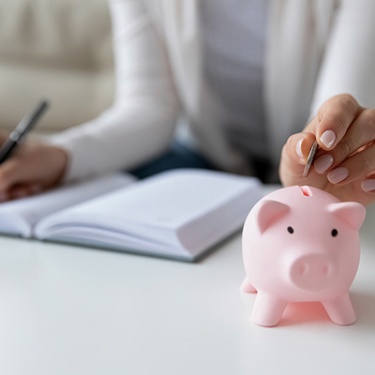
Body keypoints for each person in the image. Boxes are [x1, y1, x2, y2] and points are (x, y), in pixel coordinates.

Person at [0, 0, 375, 207]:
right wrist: (58, 156)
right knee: (103, 202)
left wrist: (312, 161)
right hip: (205, 153)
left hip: (302, 161)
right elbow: (149, 106)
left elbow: (336, 109)